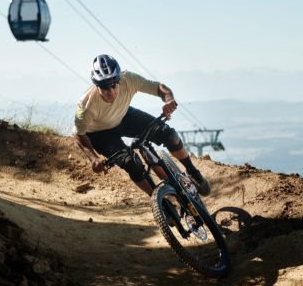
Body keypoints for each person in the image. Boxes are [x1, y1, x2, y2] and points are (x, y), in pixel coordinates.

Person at [72, 54, 211, 196]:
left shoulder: (129, 79)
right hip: (100, 133)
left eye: (114, 84)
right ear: (96, 85)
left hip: (123, 116)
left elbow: (160, 88)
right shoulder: (86, 105)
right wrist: (94, 158)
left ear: (119, 79)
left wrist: (168, 100)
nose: (111, 91)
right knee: (132, 164)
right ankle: (159, 200)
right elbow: (78, 134)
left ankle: (193, 172)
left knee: (168, 134)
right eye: (105, 87)